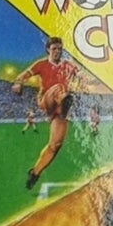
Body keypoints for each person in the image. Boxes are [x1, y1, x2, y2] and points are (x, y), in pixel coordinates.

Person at [12, 36, 85, 190]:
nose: (57, 51)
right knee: (59, 88)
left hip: (59, 108)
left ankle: (35, 173)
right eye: (54, 49)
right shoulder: (42, 64)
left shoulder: (68, 65)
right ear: (48, 50)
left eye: (60, 49)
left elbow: (82, 75)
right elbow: (24, 75)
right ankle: (65, 101)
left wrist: (85, 79)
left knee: (56, 145)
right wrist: (18, 83)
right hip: (47, 100)